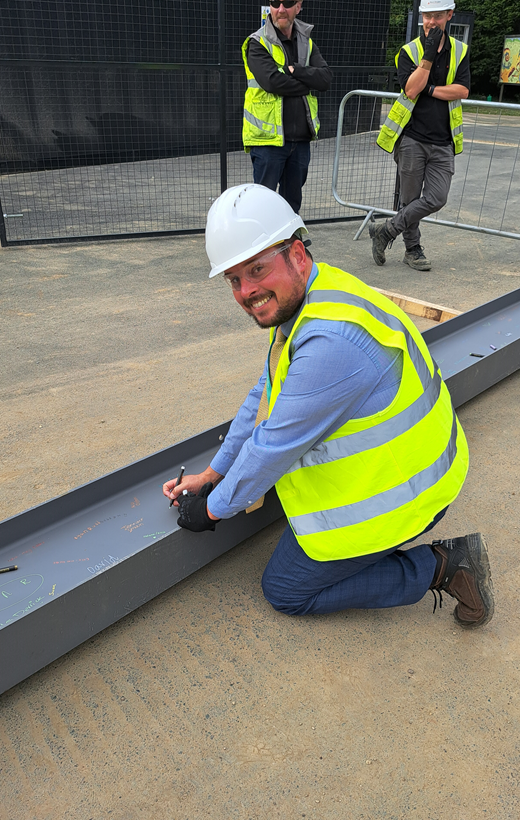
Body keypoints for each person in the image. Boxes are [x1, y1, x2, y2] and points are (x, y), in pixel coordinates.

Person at [163, 183, 494, 629]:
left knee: (286, 589)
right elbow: (267, 393)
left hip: (405, 498)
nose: (246, 291)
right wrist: (213, 473)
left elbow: (272, 446)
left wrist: (211, 508)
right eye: (235, 279)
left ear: (296, 255)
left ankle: (445, 566)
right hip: (412, 467)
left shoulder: (332, 344)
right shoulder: (316, 292)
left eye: (257, 269)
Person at [371, 0, 470, 271]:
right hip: (412, 138)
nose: (431, 22)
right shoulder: (409, 52)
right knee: (410, 199)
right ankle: (413, 249)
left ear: (450, 15)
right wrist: (427, 56)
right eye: (427, 16)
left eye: (437, 16)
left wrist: (431, 88)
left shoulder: (460, 51)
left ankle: (386, 230)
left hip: (443, 141)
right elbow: (411, 89)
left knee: (437, 198)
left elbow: (462, 90)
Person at [241, 0, 332, 214]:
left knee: (292, 204)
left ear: (299, 5)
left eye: (288, 2)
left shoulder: (307, 42)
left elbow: (325, 79)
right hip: (268, 142)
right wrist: (306, 80)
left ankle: (289, 248)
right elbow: (273, 82)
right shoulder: (257, 43)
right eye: (276, 1)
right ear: (270, 3)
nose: (281, 8)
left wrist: (296, 70)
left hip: (300, 141)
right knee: (263, 205)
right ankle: (263, 251)